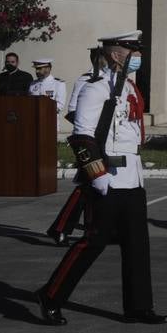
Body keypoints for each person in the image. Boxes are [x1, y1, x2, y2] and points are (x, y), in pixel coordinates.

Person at [35, 30, 167, 326]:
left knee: (137, 245)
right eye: (132, 50)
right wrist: (97, 176)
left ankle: (138, 307)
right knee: (92, 243)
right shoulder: (95, 88)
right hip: (107, 177)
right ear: (115, 54)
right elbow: (81, 136)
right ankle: (51, 295)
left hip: (132, 177)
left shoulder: (130, 89)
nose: (138, 56)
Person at [46, 47, 109, 246]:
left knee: (96, 187)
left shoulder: (114, 80)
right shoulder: (85, 80)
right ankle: (63, 228)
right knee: (88, 186)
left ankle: (93, 227)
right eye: (101, 58)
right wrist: (90, 130)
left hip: (110, 141)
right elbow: (72, 110)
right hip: (91, 141)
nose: (104, 62)